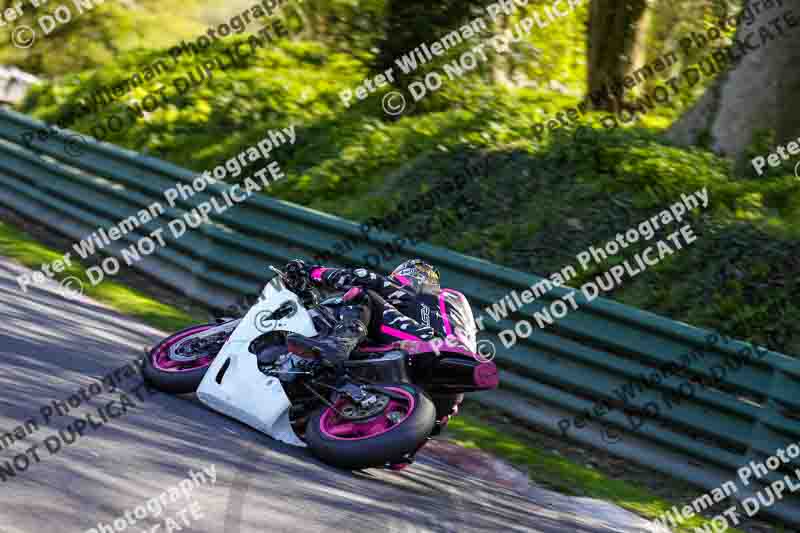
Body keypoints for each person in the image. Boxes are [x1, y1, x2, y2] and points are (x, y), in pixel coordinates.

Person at [282, 258, 476, 362]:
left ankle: (339, 343)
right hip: (448, 385)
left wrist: (311, 271)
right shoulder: (443, 307)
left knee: (362, 294)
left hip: (430, 346)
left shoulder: (422, 294)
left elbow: (364, 277)